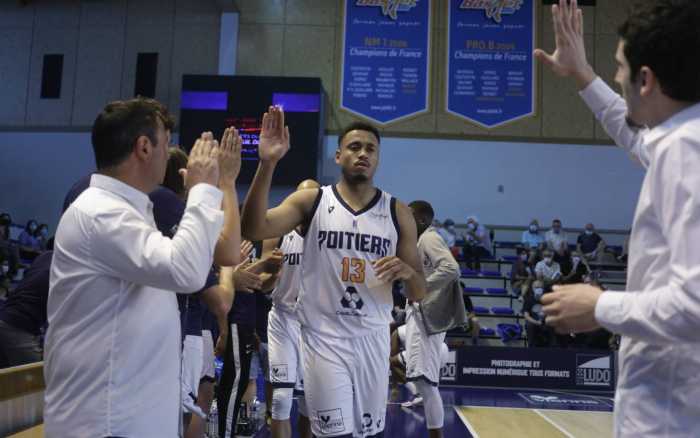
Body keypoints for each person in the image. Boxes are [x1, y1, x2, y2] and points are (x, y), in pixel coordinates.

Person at [536, 0, 700, 435]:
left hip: (673, 415)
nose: (616, 77)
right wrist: (581, 74)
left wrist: (599, 305)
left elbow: (697, 302)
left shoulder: (686, 150)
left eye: (619, 67)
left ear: (645, 80)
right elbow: (633, 135)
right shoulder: (680, 141)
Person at [44, 98, 237, 437]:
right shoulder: (99, 212)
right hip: (105, 424)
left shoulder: (128, 211)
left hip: (125, 418)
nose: (171, 153)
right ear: (144, 147)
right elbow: (187, 271)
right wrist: (204, 188)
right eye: (166, 143)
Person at [241, 110, 426, 438]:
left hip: (372, 337)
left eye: (370, 148)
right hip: (323, 337)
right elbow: (254, 226)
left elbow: (418, 292)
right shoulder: (312, 200)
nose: (363, 153)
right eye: (354, 146)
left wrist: (408, 270)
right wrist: (267, 164)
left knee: (369, 434)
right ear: (338, 155)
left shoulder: (398, 212)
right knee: (332, 433)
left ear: (378, 159)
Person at [402, 200, 463, 438]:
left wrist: (422, 286)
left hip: (426, 316)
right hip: (417, 314)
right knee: (421, 381)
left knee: (427, 385)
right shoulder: (416, 241)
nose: (405, 219)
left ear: (421, 219)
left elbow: (451, 268)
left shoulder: (429, 237)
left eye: (409, 215)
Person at [263, 179, 319, 438]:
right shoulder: (278, 233)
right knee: (282, 398)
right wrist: (272, 274)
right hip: (283, 320)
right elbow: (263, 287)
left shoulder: (329, 237)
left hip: (316, 325)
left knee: (311, 403)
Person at [0, 250, 51, 367]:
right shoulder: (68, 268)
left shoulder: (45, 256)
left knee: (6, 379)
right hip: (18, 328)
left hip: (5, 317)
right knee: (39, 377)